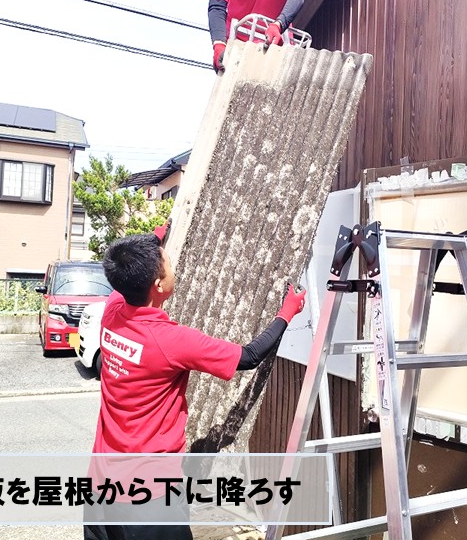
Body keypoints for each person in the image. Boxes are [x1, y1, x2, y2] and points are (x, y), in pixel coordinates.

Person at [84, 231, 306, 540]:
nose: (174, 268)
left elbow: (125, 276)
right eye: (170, 264)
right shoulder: (171, 341)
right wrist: (287, 312)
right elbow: (249, 357)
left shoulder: (113, 311)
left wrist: (153, 239)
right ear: (158, 284)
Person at [204, 0, 315, 72]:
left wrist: (279, 24)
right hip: (237, 44)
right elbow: (217, 6)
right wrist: (218, 43)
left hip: (276, 39)